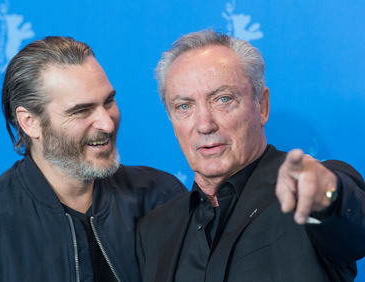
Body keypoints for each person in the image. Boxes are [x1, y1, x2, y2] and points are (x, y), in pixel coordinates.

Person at [136, 29, 365, 282]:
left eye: (222, 99)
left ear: (262, 106)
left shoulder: (304, 194)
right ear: (171, 118)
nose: (204, 124)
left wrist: (328, 195)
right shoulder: (154, 230)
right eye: (184, 106)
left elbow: (355, 226)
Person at [0, 36, 186, 282]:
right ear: (30, 122)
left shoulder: (161, 196)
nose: (107, 123)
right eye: (81, 111)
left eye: (109, 101)